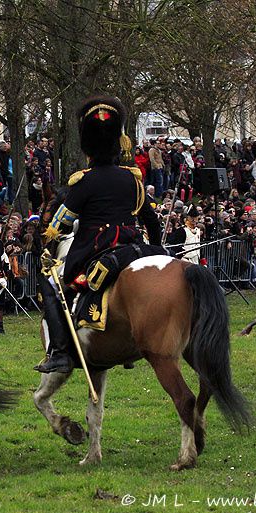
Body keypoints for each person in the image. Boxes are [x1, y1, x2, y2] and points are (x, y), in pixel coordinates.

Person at [35, 95, 161, 374]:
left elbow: (60, 223)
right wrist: (156, 248)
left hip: (93, 251)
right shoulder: (133, 178)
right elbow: (152, 221)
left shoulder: (84, 181)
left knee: (52, 285)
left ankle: (58, 352)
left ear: (88, 146)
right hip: (132, 248)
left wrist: (50, 242)